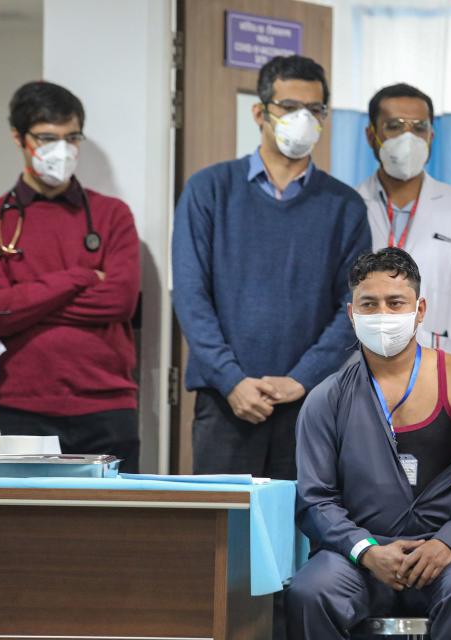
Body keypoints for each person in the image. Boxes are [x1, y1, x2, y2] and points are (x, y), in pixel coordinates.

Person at [172, 55, 370, 639]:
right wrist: (232, 379)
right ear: (260, 112)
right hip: (224, 405)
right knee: (221, 556)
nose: (303, 119)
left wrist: (302, 379)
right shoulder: (210, 190)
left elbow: (351, 306)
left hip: (308, 408)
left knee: (298, 555)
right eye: (290, 106)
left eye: (316, 109)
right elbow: (192, 296)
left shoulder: (343, 207)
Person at [287, 248, 451, 640]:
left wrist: (449, 541)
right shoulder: (327, 398)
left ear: (420, 308)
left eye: (396, 303)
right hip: (359, 558)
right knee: (310, 592)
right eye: (370, 304)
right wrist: (366, 550)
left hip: (449, 553)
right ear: (351, 313)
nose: (383, 314)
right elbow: (315, 499)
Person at [0, 81, 141, 471]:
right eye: (47, 138)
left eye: (71, 137)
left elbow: (120, 299)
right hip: (19, 410)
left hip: (107, 407)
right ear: (18, 137)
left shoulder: (112, 215)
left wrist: (21, 302)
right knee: (25, 530)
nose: (61, 151)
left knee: (119, 529)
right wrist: (79, 277)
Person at [357, 83, 451, 361]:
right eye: (395, 126)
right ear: (371, 135)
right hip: (362, 367)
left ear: (432, 136)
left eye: (419, 128)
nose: (408, 138)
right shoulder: (349, 206)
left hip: (441, 367)